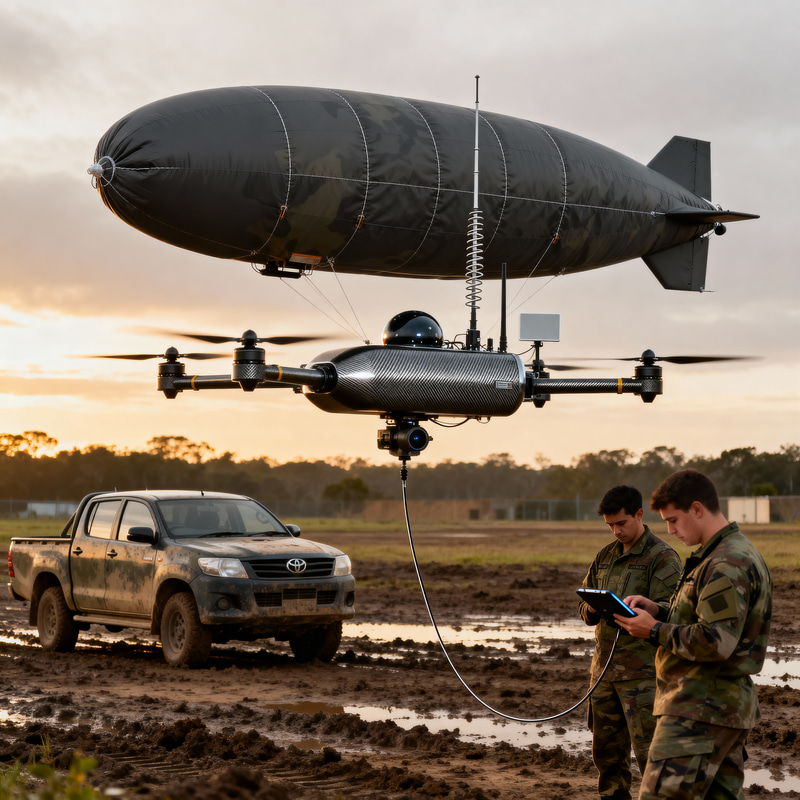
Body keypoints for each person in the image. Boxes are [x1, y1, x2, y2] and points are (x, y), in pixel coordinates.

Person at [615, 469, 772, 800]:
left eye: (674, 520)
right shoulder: (726, 553)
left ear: (698, 509)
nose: (670, 530)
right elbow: (710, 621)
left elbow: (716, 642)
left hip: (698, 709)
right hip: (721, 708)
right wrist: (660, 610)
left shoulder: (726, 562)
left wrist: (654, 630)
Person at [579, 485, 682, 800]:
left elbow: (676, 612)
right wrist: (593, 608)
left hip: (645, 677)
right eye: (610, 525)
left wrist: (650, 609)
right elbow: (583, 605)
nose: (616, 531)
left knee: (652, 755)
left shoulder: (662, 557)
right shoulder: (606, 555)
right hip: (604, 674)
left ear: (639, 514)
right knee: (607, 755)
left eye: (621, 523)